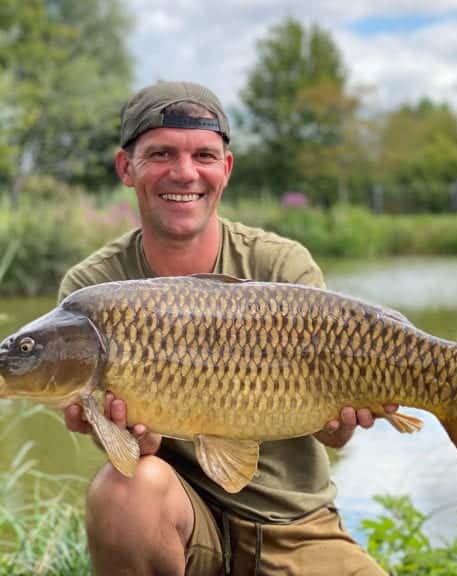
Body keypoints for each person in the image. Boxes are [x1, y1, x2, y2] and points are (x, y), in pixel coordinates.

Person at [58, 81, 395, 576]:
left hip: (294, 527)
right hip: (181, 525)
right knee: (124, 489)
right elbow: (131, 456)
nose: (184, 173)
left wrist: (341, 418)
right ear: (126, 168)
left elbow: (334, 436)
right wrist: (129, 436)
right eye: (161, 154)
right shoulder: (93, 289)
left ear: (227, 169)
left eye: (204, 155)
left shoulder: (281, 265)